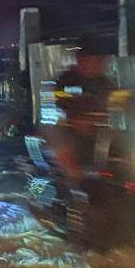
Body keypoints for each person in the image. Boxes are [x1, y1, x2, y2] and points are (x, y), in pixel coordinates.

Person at [47, 37, 117, 184]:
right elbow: (57, 107)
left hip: (99, 133)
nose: (95, 65)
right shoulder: (65, 81)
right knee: (55, 133)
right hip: (68, 132)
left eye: (99, 61)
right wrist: (75, 119)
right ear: (80, 60)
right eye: (90, 59)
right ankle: (73, 174)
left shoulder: (105, 84)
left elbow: (115, 107)